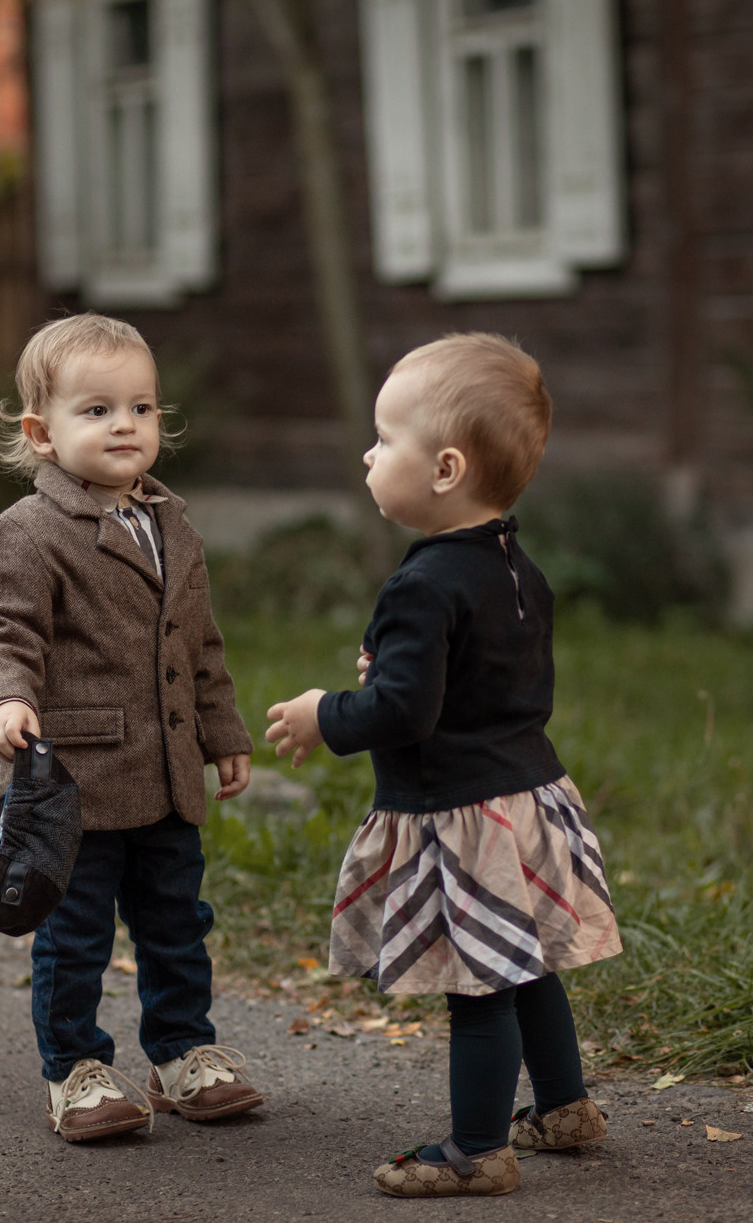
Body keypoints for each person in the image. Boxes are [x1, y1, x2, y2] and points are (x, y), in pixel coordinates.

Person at [264, 333, 620, 1198]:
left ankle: (476, 1148)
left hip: (462, 813)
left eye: (386, 439)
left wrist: (326, 714)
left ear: (447, 467)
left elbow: (405, 712)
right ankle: (564, 1105)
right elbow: (485, 680)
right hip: (527, 798)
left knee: (479, 981)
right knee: (525, 958)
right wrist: (395, 670)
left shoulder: (421, 583)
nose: (369, 453)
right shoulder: (518, 567)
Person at [0, 313, 264, 1143]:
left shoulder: (176, 528)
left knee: (177, 925)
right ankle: (76, 1068)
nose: (124, 424)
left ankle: (183, 1050)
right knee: (75, 935)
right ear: (41, 432)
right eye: (96, 410)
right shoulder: (24, 535)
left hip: (167, 777)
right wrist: (2, 702)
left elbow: (199, 645)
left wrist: (222, 732)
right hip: (75, 787)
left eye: (141, 407)